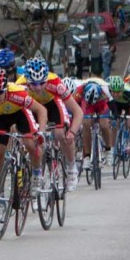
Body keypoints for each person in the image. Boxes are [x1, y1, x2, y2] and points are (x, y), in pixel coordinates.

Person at [0, 68, 47, 198]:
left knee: (30, 145)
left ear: (6, 89)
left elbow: (41, 110)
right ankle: (0, 196)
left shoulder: (18, 94)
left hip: (20, 114)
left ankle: (36, 175)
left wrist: (41, 132)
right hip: (0, 117)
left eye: (0, 92)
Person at [16, 57, 84, 191]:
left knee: (60, 134)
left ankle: (71, 167)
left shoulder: (56, 83)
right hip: (32, 107)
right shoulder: (20, 85)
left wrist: (72, 132)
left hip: (52, 104)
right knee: (28, 139)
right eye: (33, 84)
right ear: (27, 81)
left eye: (42, 83)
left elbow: (78, 112)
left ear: (46, 79)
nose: (38, 88)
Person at [74, 77, 114, 169]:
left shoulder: (105, 89)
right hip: (87, 104)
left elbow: (112, 103)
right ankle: (87, 156)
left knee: (104, 124)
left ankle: (108, 150)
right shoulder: (80, 89)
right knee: (86, 123)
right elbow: (73, 106)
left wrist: (114, 116)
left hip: (102, 102)